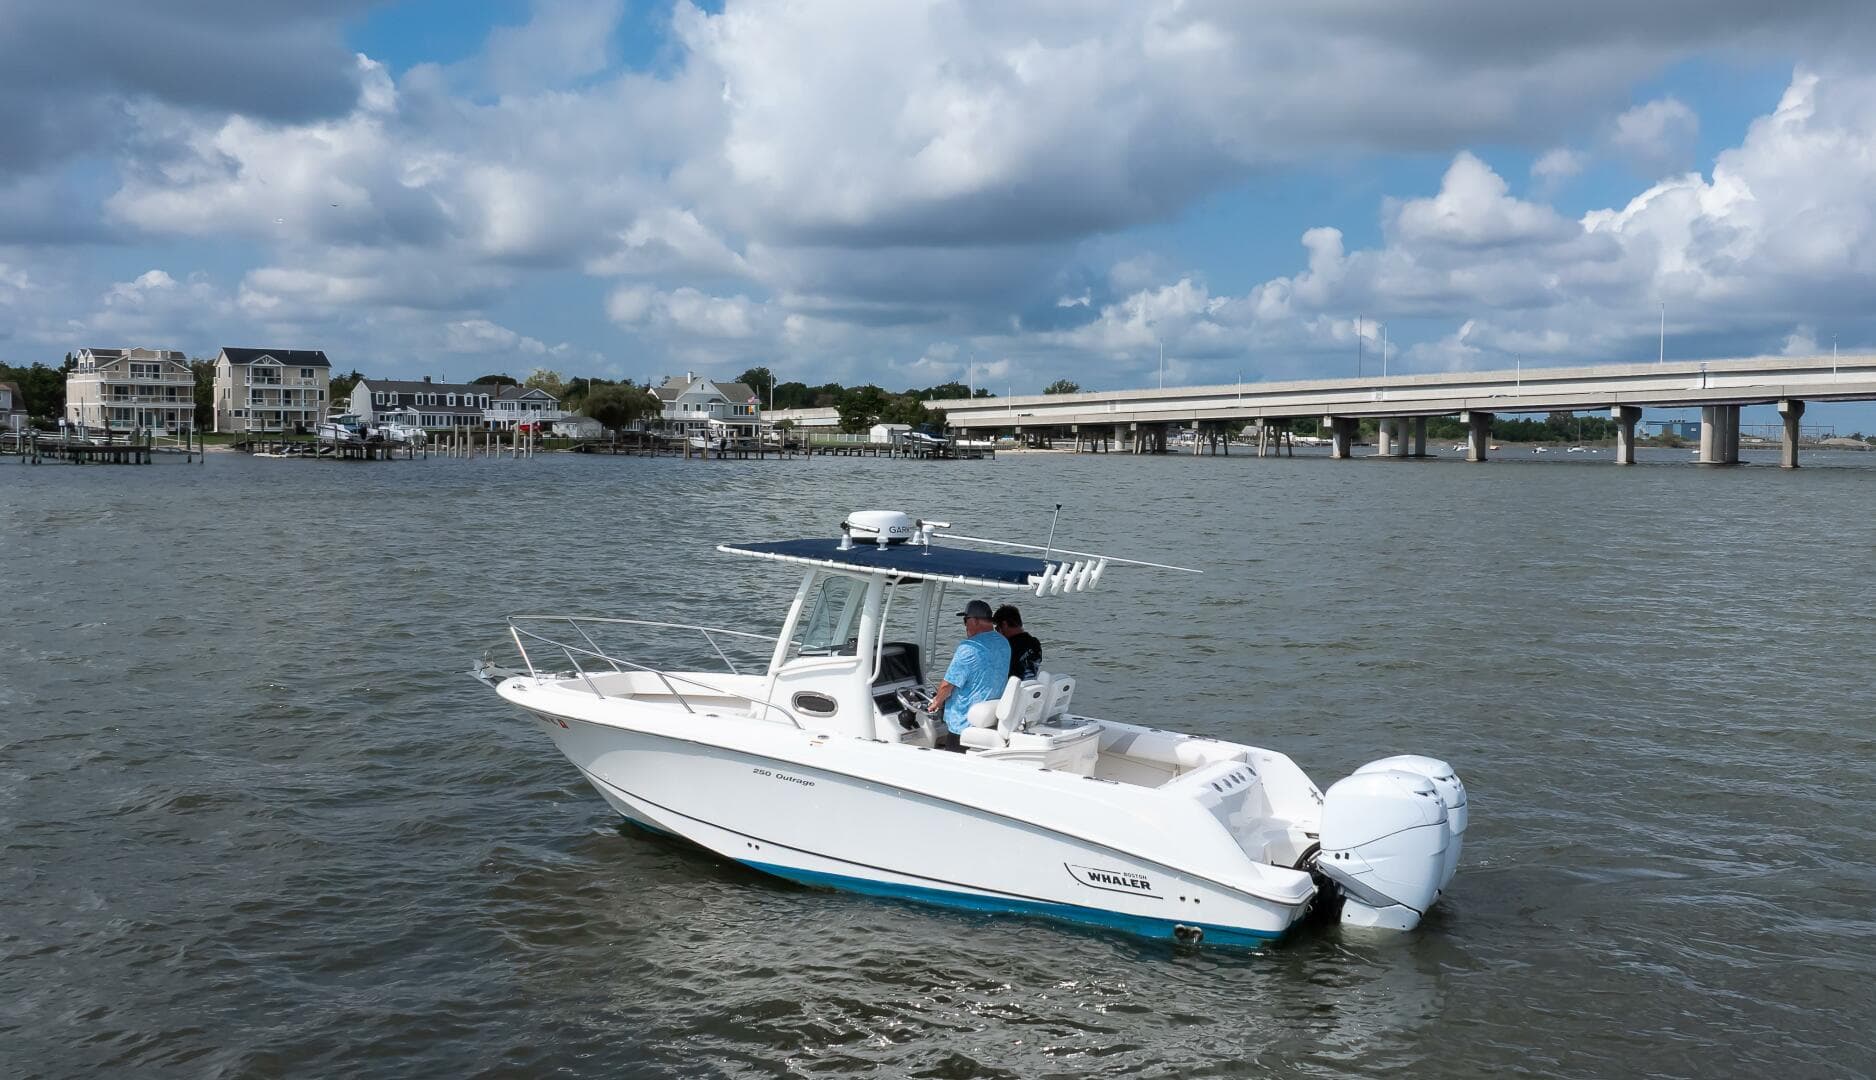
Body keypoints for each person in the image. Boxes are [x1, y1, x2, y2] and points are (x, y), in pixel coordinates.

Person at [926, 599, 1012, 751]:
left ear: (975, 621)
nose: (965, 625)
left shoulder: (969, 647)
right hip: (991, 720)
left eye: (965, 620)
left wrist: (936, 702)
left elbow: (947, 685)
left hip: (963, 724)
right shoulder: (1003, 642)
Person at [994, 604, 1042, 681]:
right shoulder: (1035, 643)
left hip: (1012, 686)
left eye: (997, 628)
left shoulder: (1007, 647)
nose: (997, 632)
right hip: (1031, 683)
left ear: (1004, 624)